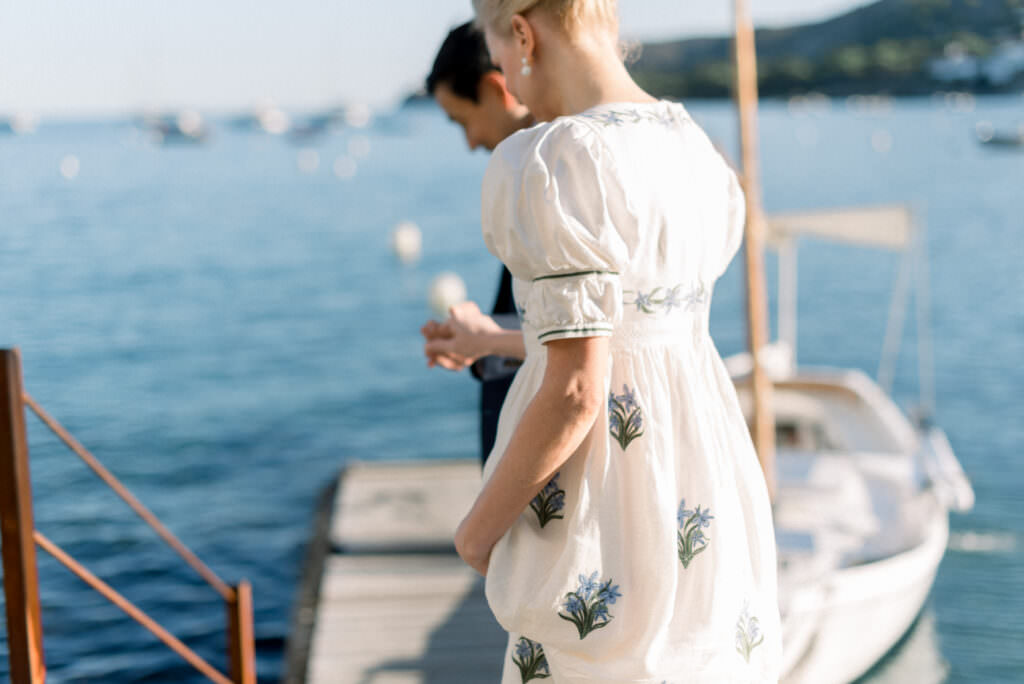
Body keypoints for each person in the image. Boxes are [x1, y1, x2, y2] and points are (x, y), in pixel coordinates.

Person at [453, 1, 783, 682]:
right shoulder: (694, 149)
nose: (508, 79)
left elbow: (577, 389)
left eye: (501, 58)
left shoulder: (550, 163)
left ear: (523, 32)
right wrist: (496, 339)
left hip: (601, 512)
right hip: (701, 486)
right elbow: (636, 338)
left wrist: (477, 534)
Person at [421, 22, 533, 464]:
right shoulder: (530, 175)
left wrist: (488, 338)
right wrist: (480, 341)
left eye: (462, 121)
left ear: (494, 88)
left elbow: (589, 345)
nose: (469, 143)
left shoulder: (553, 180)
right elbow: (555, 326)